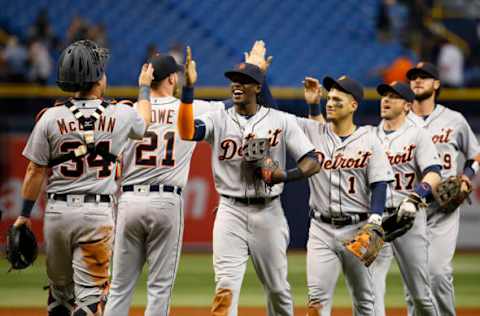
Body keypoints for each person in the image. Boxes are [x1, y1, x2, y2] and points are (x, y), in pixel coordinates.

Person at [104, 40, 276, 316]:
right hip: (166, 202)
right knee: (159, 287)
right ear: (173, 78)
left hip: (129, 200)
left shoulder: (129, 111)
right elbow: (245, 102)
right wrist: (257, 70)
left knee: (119, 287)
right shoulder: (193, 108)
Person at [12, 39, 154, 316]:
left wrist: (23, 216)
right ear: (98, 78)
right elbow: (145, 121)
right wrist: (145, 87)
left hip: (57, 214)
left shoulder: (50, 118)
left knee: (59, 294)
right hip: (96, 214)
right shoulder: (121, 113)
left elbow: (34, 171)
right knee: (91, 299)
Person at [177, 48, 320, 316]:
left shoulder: (281, 120)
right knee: (225, 287)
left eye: (243, 81)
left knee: (277, 288)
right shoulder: (218, 118)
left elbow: (312, 160)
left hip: (269, 211)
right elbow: (186, 131)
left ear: (258, 87)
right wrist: (188, 89)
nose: (236, 85)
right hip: (230, 211)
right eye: (233, 80)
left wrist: (284, 175)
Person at [298, 75, 394, 316]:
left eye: (337, 100)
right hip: (320, 228)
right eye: (328, 98)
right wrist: (312, 104)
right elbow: (274, 115)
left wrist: (374, 221)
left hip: (359, 228)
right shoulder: (315, 132)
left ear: (353, 105)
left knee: (366, 302)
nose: (330, 103)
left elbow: (380, 183)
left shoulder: (370, 139)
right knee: (316, 302)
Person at [406, 62, 480, 316]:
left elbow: (476, 155)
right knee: (414, 282)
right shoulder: (400, 120)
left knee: (437, 273)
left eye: (424, 77)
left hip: (443, 208)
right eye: (414, 77)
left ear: (436, 84)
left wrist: (467, 176)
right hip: (408, 208)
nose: (417, 81)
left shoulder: (454, 120)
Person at [369, 81, 442, 316]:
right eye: (384, 96)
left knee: (420, 295)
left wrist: (415, 196)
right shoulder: (369, 135)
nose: (386, 100)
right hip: (377, 220)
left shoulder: (418, 134)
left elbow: (434, 173)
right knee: (370, 292)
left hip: (407, 218)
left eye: (393, 97)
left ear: (407, 105)